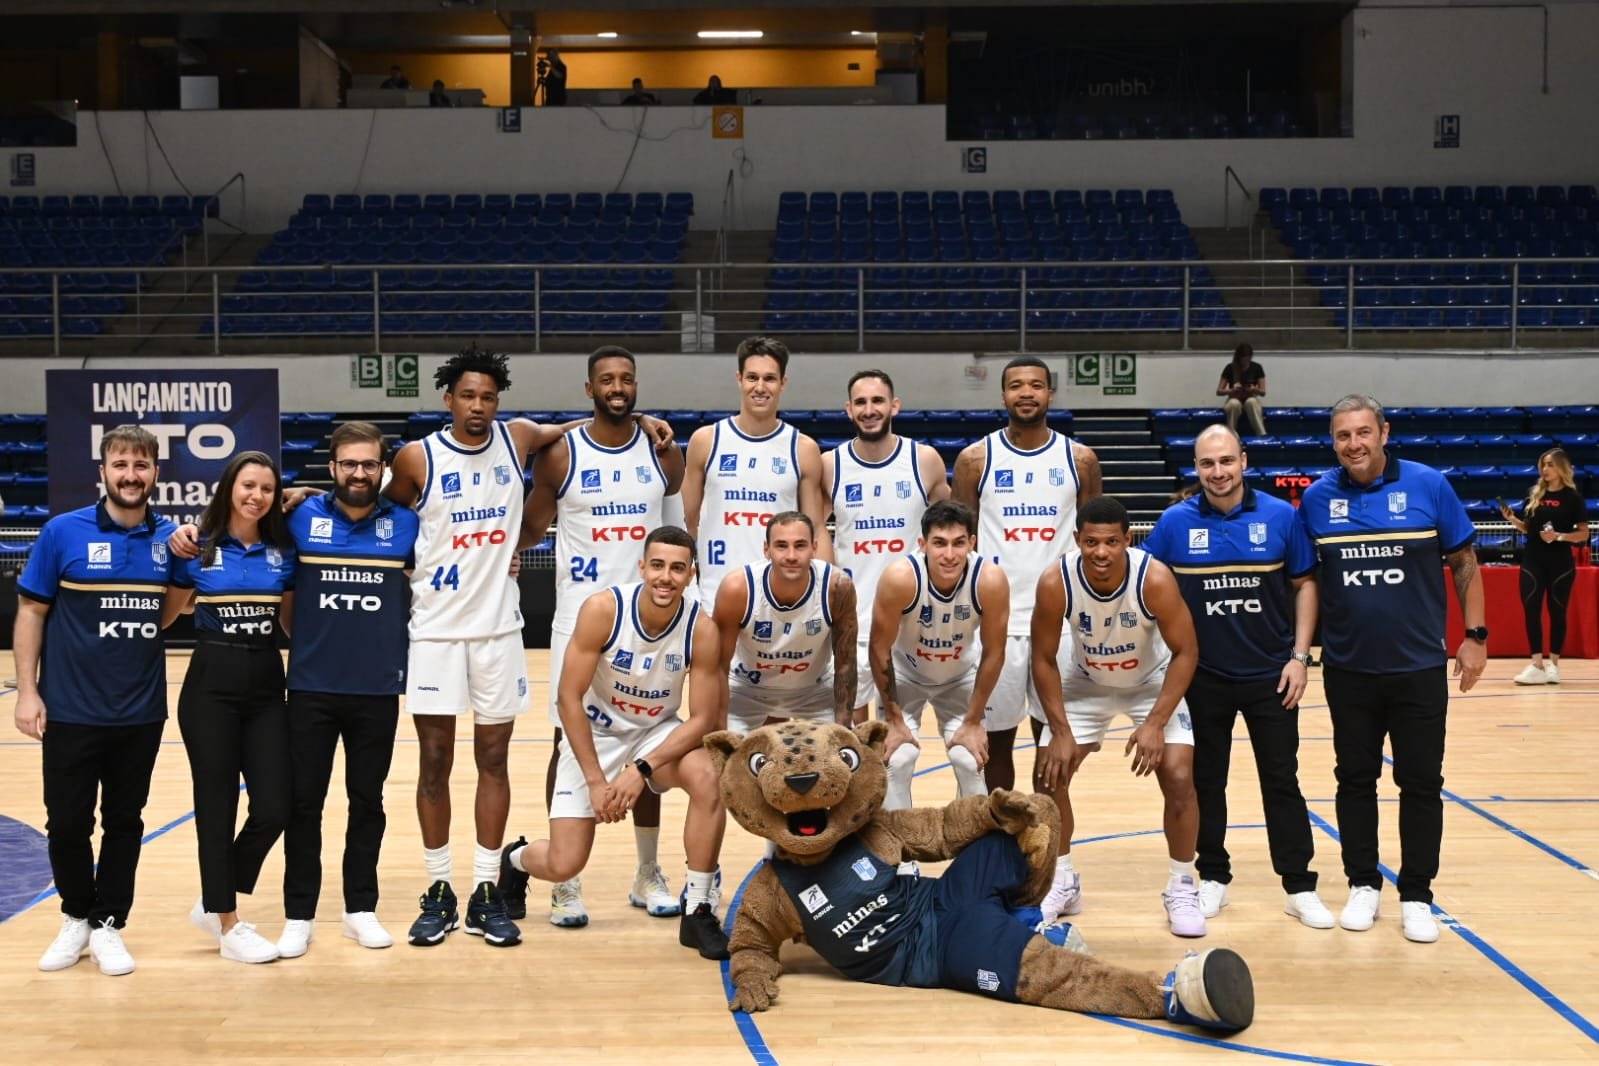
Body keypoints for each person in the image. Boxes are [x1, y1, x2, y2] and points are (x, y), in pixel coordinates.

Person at [383, 344, 674, 950]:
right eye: (468, 395)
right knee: (435, 762)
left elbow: (574, 426)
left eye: (488, 396)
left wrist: (643, 422)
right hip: (437, 628)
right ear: (447, 399)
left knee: (497, 760)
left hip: (500, 631)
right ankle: (440, 888)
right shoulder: (417, 457)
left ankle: (489, 887)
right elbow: (375, 515)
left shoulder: (518, 439)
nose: (478, 406)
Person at [1299, 394, 1486, 944]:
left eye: (1362, 432)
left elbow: (1466, 564)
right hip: (1350, 670)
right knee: (1354, 780)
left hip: (1419, 668)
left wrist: (1475, 637)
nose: (1353, 444)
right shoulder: (1316, 500)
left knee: (1421, 782)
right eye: (1342, 436)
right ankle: (1363, 884)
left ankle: (1417, 894)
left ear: (1383, 432)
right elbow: (1303, 583)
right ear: (1333, 442)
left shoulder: (1428, 486)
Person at [499, 527, 731, 960]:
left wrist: (640, 768)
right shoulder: (603, 610)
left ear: (691, 574)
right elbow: (567, 698)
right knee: (563, 864)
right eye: (658, 565)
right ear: (642, 566)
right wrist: (593, 779)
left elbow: (700, 720)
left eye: (677, 569)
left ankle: (698, 909)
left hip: (655, 733)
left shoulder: (701, 628)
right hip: (597, 731)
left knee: (707, 776)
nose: (666, 577)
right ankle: (514, 860)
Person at [514, 346, 685, 929]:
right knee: (567, 743)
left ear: (637, 386)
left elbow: (674, 528)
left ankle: (647, 871)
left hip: (653, 619)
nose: (618, 387)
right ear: (589, 388)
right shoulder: (561, 454)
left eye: (627, 379)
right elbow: (531, 524)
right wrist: (507, 551)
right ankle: (567, 882)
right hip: (580, 621)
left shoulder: (662, 452)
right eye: (607, 380)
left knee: (651, 741)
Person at [1141, 426, 1334, 929]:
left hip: (1272, 676)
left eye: (1226, 461)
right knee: (1207, 781)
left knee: (1282, 779)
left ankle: (1298, 885)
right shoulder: (1173, 524)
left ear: (1243, 460)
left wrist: (1300, 657)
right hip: (1201, 677)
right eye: (1207, 463)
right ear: (1196, 467)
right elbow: (1150, 596)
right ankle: (1213, 877)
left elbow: (1305, 586)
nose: (1218, 472)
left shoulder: (1279, 516)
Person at [15, 425, 185, 977]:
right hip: (68, 709)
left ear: (156, 474)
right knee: (66, 823)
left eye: (141, 465)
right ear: (103, 472)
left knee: (124, 821)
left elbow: (170, 611)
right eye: (121, 465)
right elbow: (31, 613)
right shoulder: (63, 533)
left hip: (139, 711)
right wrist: (27, 690)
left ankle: (109, 923)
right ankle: (74, 916)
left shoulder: (168, 541)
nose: (131, 475)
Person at [275, 421, 419, 958]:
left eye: (369, 464)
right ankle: (299, 913)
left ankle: (360, 907)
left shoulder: (406, 525)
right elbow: (286, 599)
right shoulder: (299, 519)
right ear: (332, 468)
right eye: (349, 464)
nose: (359, 473)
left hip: (377, 689)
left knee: (367, 801)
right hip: (312, 686)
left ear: (382, 469)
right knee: (303, 803)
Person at [1030, 496, 1204, 936]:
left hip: (1150, 684)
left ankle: (1183, 885)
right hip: (1084, 682)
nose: (1101, 552)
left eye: (1111, 542)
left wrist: (1155, 723)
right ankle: (1063, 879)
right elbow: (1044, 658)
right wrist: (1060, 731)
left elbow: (1187, 652)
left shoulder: (1155, 579)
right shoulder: (1056, 581)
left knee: (1180, 776)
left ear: (1128, 540)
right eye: (1091, 542)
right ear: (1077, 541)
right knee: (1049, 774)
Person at [951, 356, 1101, 793]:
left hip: (1060, 625)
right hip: (998, 625)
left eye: (1036, 385)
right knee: (992, 748)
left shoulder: (1081, 459)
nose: (1026, 393)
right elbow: (962, 543)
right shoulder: (975, 460)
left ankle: (1048, 853)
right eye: (1016, 385)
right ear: (1003, 395)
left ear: (1050, 393)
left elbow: (1093, 538)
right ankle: (999, 848)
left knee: (1053, 745)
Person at [171, 451, 297, 964]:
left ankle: (214, 894)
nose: (257, 496)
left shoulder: (282, 551)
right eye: (248, 485)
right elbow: (163, 617)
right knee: (217, 808)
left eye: (267, 489)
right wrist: (169, 542)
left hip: (267, 683)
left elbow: (291, 625)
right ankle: (227, 923)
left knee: (275, 806)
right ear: (229, 488)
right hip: (210, 688)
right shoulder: (195, 547)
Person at [822, 369, 951, 724]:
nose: (869, 409)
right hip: (855, 619)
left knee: (903, 731)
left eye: (877, 400)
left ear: (894, 406)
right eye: (860, 402)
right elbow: (814, 531)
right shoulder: (830, 466)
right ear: (848, 410)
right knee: (850, 731)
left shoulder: (924, 461)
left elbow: (952, 530)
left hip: (913, 621)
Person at [869, 500, 1010, 810]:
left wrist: (973, 722)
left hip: (959, 677)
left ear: (972, 543)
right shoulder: (900, 578)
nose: (949, 555)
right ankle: (901, 855)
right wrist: (893, 719)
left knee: (970, 760)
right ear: (923, 544)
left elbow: (994, 652)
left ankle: (972, 853)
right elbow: (879, 649)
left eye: (959, 543)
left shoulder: (990, 579)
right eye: (939, 544)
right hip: (906, 675)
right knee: (898, 758)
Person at [682, 335, 832, 613]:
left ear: (783, 383)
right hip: (714, 595)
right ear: (739, 379)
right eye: (752, 377)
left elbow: (817, 529)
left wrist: (826, 594)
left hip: (780, 598)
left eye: (769, 378)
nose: (760, 387)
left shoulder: (803, 449)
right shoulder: (706, 441)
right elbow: (686, 523)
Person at [716, 511, 856, 734]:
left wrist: (843, 732)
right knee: (719, 765)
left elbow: (845, 663)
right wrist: (719, 729)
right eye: (781, 545)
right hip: (747, 689)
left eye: (800, 545)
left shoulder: (837, 587)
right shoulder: (738, 589)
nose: (791, 555)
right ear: (766, 549)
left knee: (845, 763)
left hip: (814, 691)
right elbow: (718, 667)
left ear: (814, 547)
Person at [1499, 447, 1589, 685]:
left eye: (1550, 464)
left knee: (1557, 612)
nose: (1545, 469)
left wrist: (1559, 537)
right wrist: (1512, 520)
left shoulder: (1573, 497)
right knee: (1531, 609)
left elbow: (1583, 534)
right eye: (1543, 465)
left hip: (1560, 563)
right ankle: (1537, 663)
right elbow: (1530, 529)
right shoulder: (1534, 494)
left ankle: (1554, 665)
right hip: (1533, 560)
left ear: (1561, 467)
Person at [1216, 343, 1267, 437]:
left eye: (1248, 359)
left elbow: (1263, 391)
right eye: (1243, 359)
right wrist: (1231, 390)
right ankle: (1231, 434)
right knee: (1233, 404)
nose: (1245, 362)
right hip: (1234, 397)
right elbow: (1219, 391)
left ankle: (1261, 433)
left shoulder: (1257, 368)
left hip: (1251, 396)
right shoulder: (1230, 368)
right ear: (1239, 357)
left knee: (1251, 402)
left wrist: (1254, 389)